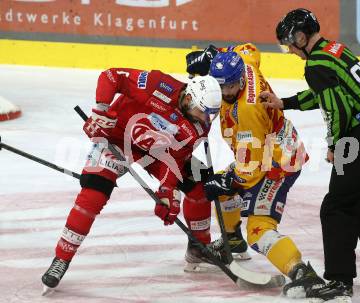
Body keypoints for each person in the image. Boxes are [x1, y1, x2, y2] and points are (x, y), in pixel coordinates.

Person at [260, 8, 360, 300]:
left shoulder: (315, 63)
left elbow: (335, 108)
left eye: (288, 44)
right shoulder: (333, 50)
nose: (290, 51)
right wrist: (284, 102)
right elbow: (328, 94)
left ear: (300, 37)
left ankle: (340, 283)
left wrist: (335, 145)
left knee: (337, 205)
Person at [41, 68, 224, 293]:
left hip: (156, 153)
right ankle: (62, 258)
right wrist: (101, 111)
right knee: (94, 193)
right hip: (115, 138)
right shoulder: (159, 84)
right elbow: (111, 76)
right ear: (188, 98)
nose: (206, 119)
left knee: (201, 184)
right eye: (203, 111)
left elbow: (174, 159)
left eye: (211, 114)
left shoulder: (199, 125)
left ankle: (199, 248)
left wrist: (167, 192)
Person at [187, 43, 329, 299]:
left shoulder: (248, 112)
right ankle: (232, 241)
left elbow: (249, 170)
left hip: (276, 163)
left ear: (240, 80)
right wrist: (212, 54)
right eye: (218, 86)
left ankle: (302, 274)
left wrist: (230, 181)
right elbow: (248, 48)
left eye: (229, 86)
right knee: (221, 187)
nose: (224, 92)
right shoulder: (244, 65)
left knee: (259, 227)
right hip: (270, 147)